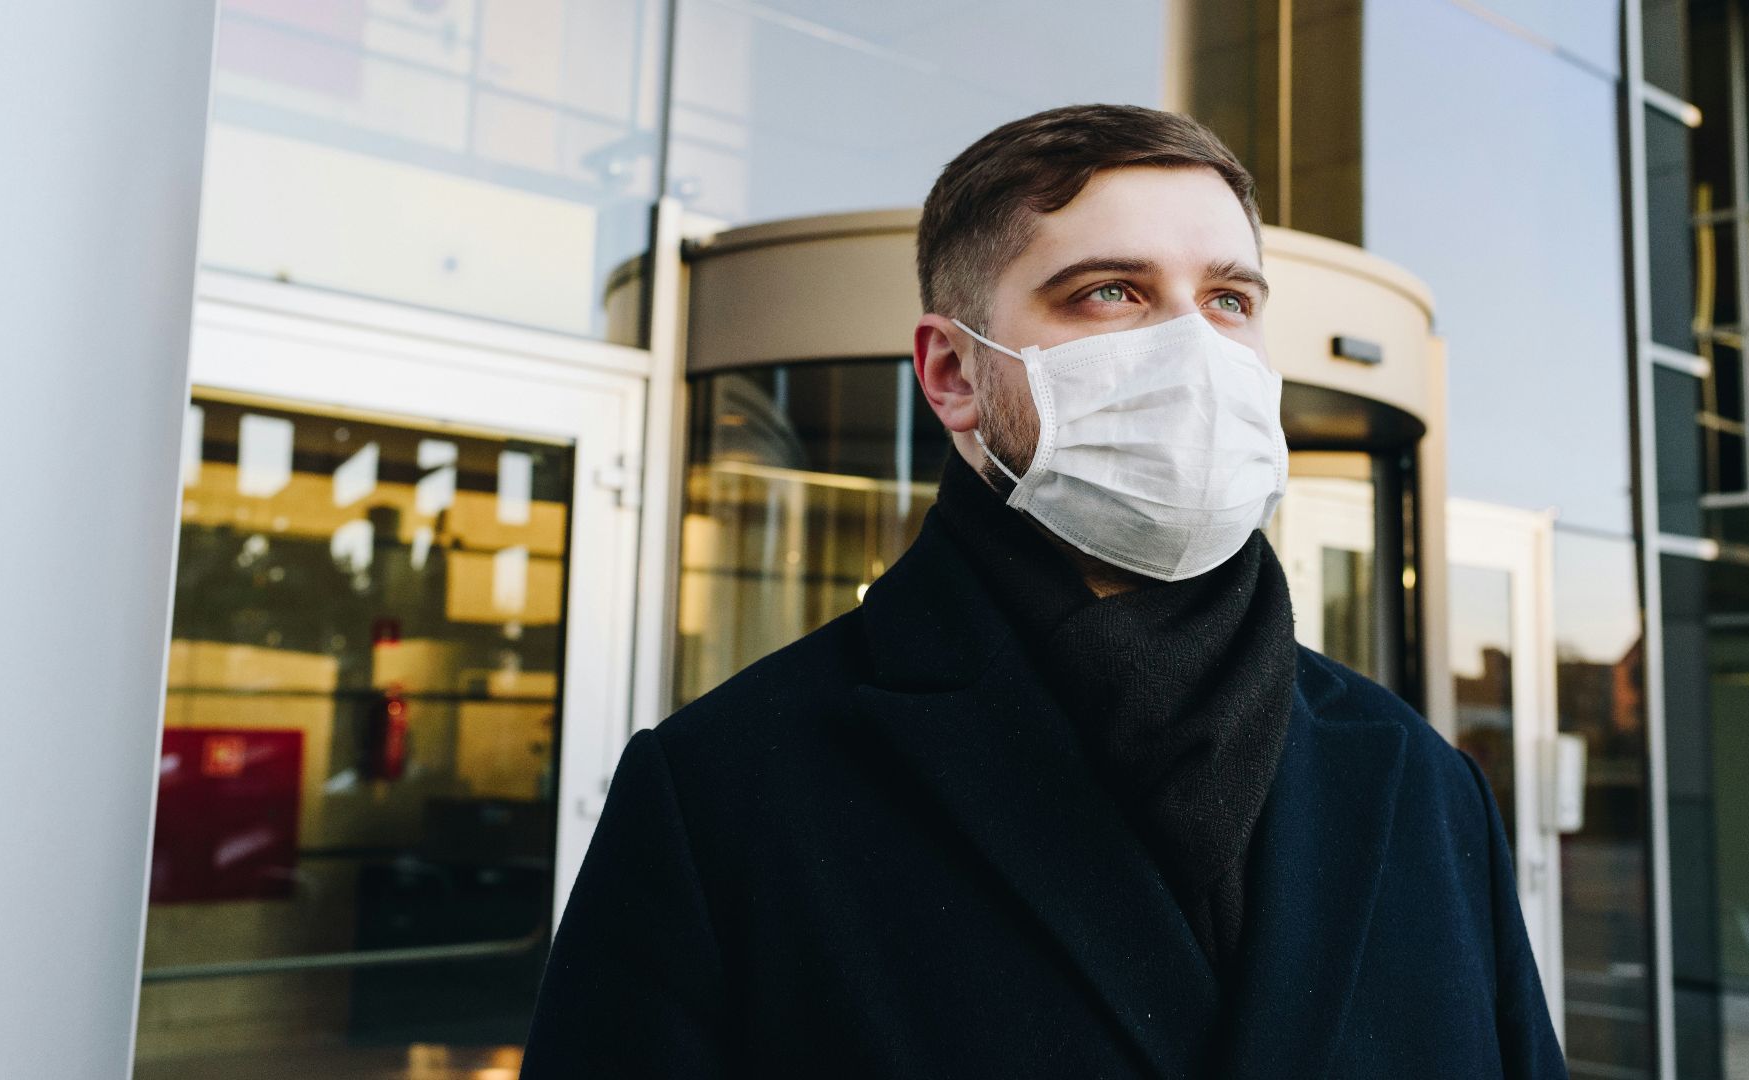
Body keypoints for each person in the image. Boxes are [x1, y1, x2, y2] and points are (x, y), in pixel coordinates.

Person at [521, 103, 1568, 1080]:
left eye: (1229, 300)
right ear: (952, 374)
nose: (1194, 351)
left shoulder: (1420, 781)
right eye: (1112, 291)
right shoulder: (725, 792)